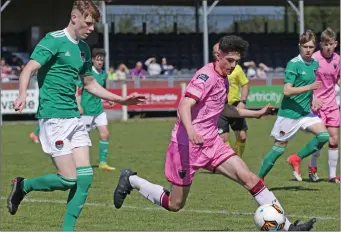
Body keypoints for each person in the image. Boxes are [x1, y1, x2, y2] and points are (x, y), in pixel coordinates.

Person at [113, 35, 316, 231]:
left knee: (250, 178)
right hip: (185, 147)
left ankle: (288, 228)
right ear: (218, 55)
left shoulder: (224, 78)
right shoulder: (206, 76)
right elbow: (184, 106)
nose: (233, 66)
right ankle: (132, 180)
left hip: (212, 143)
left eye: (236, 62)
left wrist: (256, 113)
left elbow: (224, 108)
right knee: (175, 204)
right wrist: (191, 131)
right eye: (229, 60)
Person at [7, 1, 145, 231]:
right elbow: (29, 68)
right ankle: (24, 186)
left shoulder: (84, 49)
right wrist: (22, 94)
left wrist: (122, 100)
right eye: (88, 23)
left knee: (86, 178)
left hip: (74, 118)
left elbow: (89, 83)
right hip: (54, 118)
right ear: (74, 17)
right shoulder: (54, 39)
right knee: (68, 179)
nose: (91, 28)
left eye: (93, 24)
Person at [257, 30, 329, 182]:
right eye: (305, 47)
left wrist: (313, 98)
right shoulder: (293, 64)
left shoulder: (315, 64)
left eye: (311, 47)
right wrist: (310, 88)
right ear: (299, 47)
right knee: (278, 148)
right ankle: (258, 179)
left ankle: (296, 158)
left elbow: (309, 86)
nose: (308, 50)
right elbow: (287, 90)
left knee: (323, 136)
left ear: (314, 47)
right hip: (289, 114)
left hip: (304, 113)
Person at [308, 28, 340, 183]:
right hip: (318, 105)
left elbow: (338, 78)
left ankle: (332, 176)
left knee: (334, 139)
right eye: (325, 44)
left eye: (331, 44)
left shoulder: (337, 60)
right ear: (321, 44)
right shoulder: (314, 59)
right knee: (321, 139)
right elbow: (309, 81)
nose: (328, 47)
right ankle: (312, 168)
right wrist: (313, 97)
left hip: (332, 104)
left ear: (336, 44)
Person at [76, 48, 115, 171]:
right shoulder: (87, 74)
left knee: (105, 134)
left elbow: (100, 90)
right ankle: (79, 162)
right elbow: (77, 90)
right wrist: (78, 105)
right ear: (92, 60)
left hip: (99, 110)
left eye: (101, 60)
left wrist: (108, 98)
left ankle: (103, 162)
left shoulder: (103, 74)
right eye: (97, 60)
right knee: (82, 138)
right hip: (86, 110)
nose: (100, 62)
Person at [214, 43, 249, 157]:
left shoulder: (237, 68)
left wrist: (243, 101)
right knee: (223, 139)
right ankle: (229, 159)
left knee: (242, 136)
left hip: (234, 107)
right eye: (215, 52)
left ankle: (237, 159)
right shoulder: (212, 69)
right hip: (220, 108)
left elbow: (245, 84)